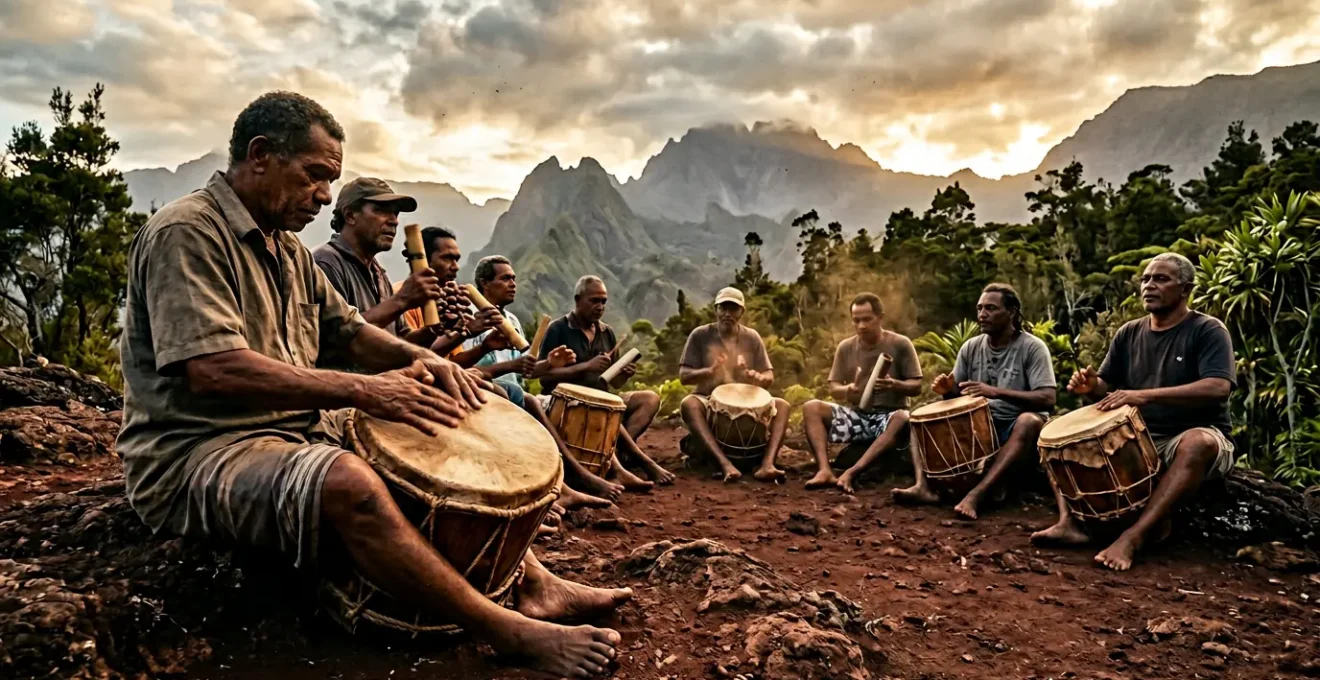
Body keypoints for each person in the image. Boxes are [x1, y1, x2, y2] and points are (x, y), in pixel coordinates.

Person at [116, 91, 626, 678]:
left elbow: (352, 332)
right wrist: (365, 391)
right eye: (314, 175)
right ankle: (503, 629)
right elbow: (213, 369)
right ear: (259, 155)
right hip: (196, 453)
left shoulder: (287, 252)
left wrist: (427, 364)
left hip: (285, 430)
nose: (325, 195)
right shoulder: (188, 232)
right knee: (347, 481)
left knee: (435, 421)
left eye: (330, 180)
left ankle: (535, 582)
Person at [1032, 253, 1236, 571]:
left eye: (1161, 279)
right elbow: (1107, 386)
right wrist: (1091, 386)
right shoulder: (1129, 332)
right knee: (1055, 431)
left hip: (1191, 434)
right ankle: (1069, 523)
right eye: (1145, 279)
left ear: (1186, 289)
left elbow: (1218, 387)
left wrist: (1144, 396)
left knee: (1199, 443)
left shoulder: (1207, 330)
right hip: (1138, 435)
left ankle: (1134, 537)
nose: (1149, 285)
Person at [456, 255, 625, 505]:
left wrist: (549, 363)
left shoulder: (511, 321)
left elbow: (527, 370)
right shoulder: (468, 319)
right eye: (505, 279)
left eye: (514, 278)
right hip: (486, 394)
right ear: (484, 284)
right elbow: (463, 368)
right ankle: (577, 480)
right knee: (530, 401)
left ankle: (573, 479)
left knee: (533, 401)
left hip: (514, 394)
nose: (513, 283)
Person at [893, 283, 1056, 519]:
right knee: (919, 415)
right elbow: (958, 398)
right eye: (980, 308)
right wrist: (947, 391)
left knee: (1029, 421)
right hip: (978, 424)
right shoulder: (970, 347)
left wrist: (996, 392)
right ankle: (923, 486)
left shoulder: (1033, 348)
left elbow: (1048, 398)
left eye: (991, 308)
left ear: (1011, 312)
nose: (982, 314)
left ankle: (976, 495)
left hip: (1013, 427)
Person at [540, 276, 675, 488]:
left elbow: (617, 383)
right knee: (605, 410)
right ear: (578, 300)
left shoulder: (607, 332)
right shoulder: (558, 329)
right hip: (567, 403)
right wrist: (586, 366)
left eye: (603, 301)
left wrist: (624, 374)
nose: (600, 306)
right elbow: (544, 377)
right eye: (594, 301)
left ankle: (612, 453)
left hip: (605, 399)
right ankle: (642, 461)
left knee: (649, 399)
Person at [311, 177, 441, 370]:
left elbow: (401, 340)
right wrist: (402, 300)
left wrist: (435, 330)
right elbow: (336, 339)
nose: (394, 221)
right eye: (381, 211)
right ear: (350, 216)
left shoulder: (379, 273)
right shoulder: (326, 262)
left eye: (395, 213)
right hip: (349, 391)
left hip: (389, 384)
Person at [801, 294, 922, 493]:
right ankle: (824, 470)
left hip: (890, 417)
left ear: (880, 317)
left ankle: (852, 472)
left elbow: (916, 386)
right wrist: (848, 391)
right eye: (856, 320)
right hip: (859, 416)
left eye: (867, 319)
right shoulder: (846, 347)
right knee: (811, 407)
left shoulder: (901, 344)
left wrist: (894, 385)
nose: (861, 326)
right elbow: (834, 388)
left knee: (902, 417)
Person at [677, 287, 790, 483]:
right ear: (716, 309)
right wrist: (708, 371)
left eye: (733, 309)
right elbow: (684, 376)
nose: (727, 314)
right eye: (723, 308)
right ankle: (725, 464)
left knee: (783, 406)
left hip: (747, 401)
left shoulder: (752, 337)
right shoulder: (700, 335)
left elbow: (768, 374)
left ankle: (767, 464)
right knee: (689, 403)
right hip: (708, 399)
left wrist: (760, 378)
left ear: (741, 312)